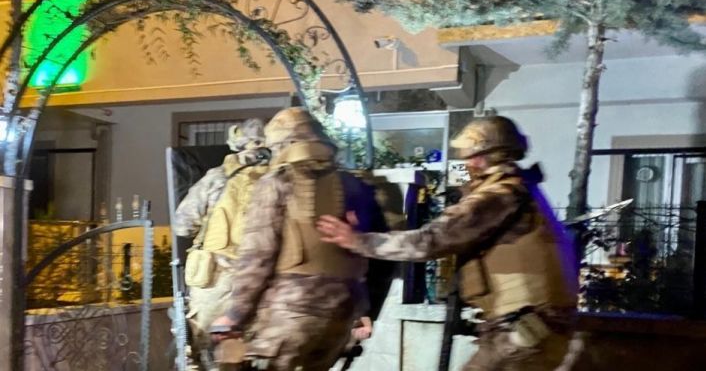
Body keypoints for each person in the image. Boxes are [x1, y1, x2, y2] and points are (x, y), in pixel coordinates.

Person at [317, 115, 579, 371]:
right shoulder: (520, 189)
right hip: (532, 326)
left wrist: (357, 240)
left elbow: (429, 241)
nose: (466, 164)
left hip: (524, 329)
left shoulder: (500, 195)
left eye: (470, 156)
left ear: (486, 156)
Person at [210, 107, 385, 371]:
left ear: (283, 145)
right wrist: (366, 310)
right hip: (343, 313)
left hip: (291, 312)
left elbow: (258, 256)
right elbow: (380, 255)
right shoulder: (357, 185)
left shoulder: (276, 182)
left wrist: (234, 315)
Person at [172, 119, 269, 370]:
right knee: (248, 351)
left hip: (215, 278)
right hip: (262, 277)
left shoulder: (218, 177)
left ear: (236, 143)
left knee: (203, 350)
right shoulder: (280, 179)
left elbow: (183, 225)